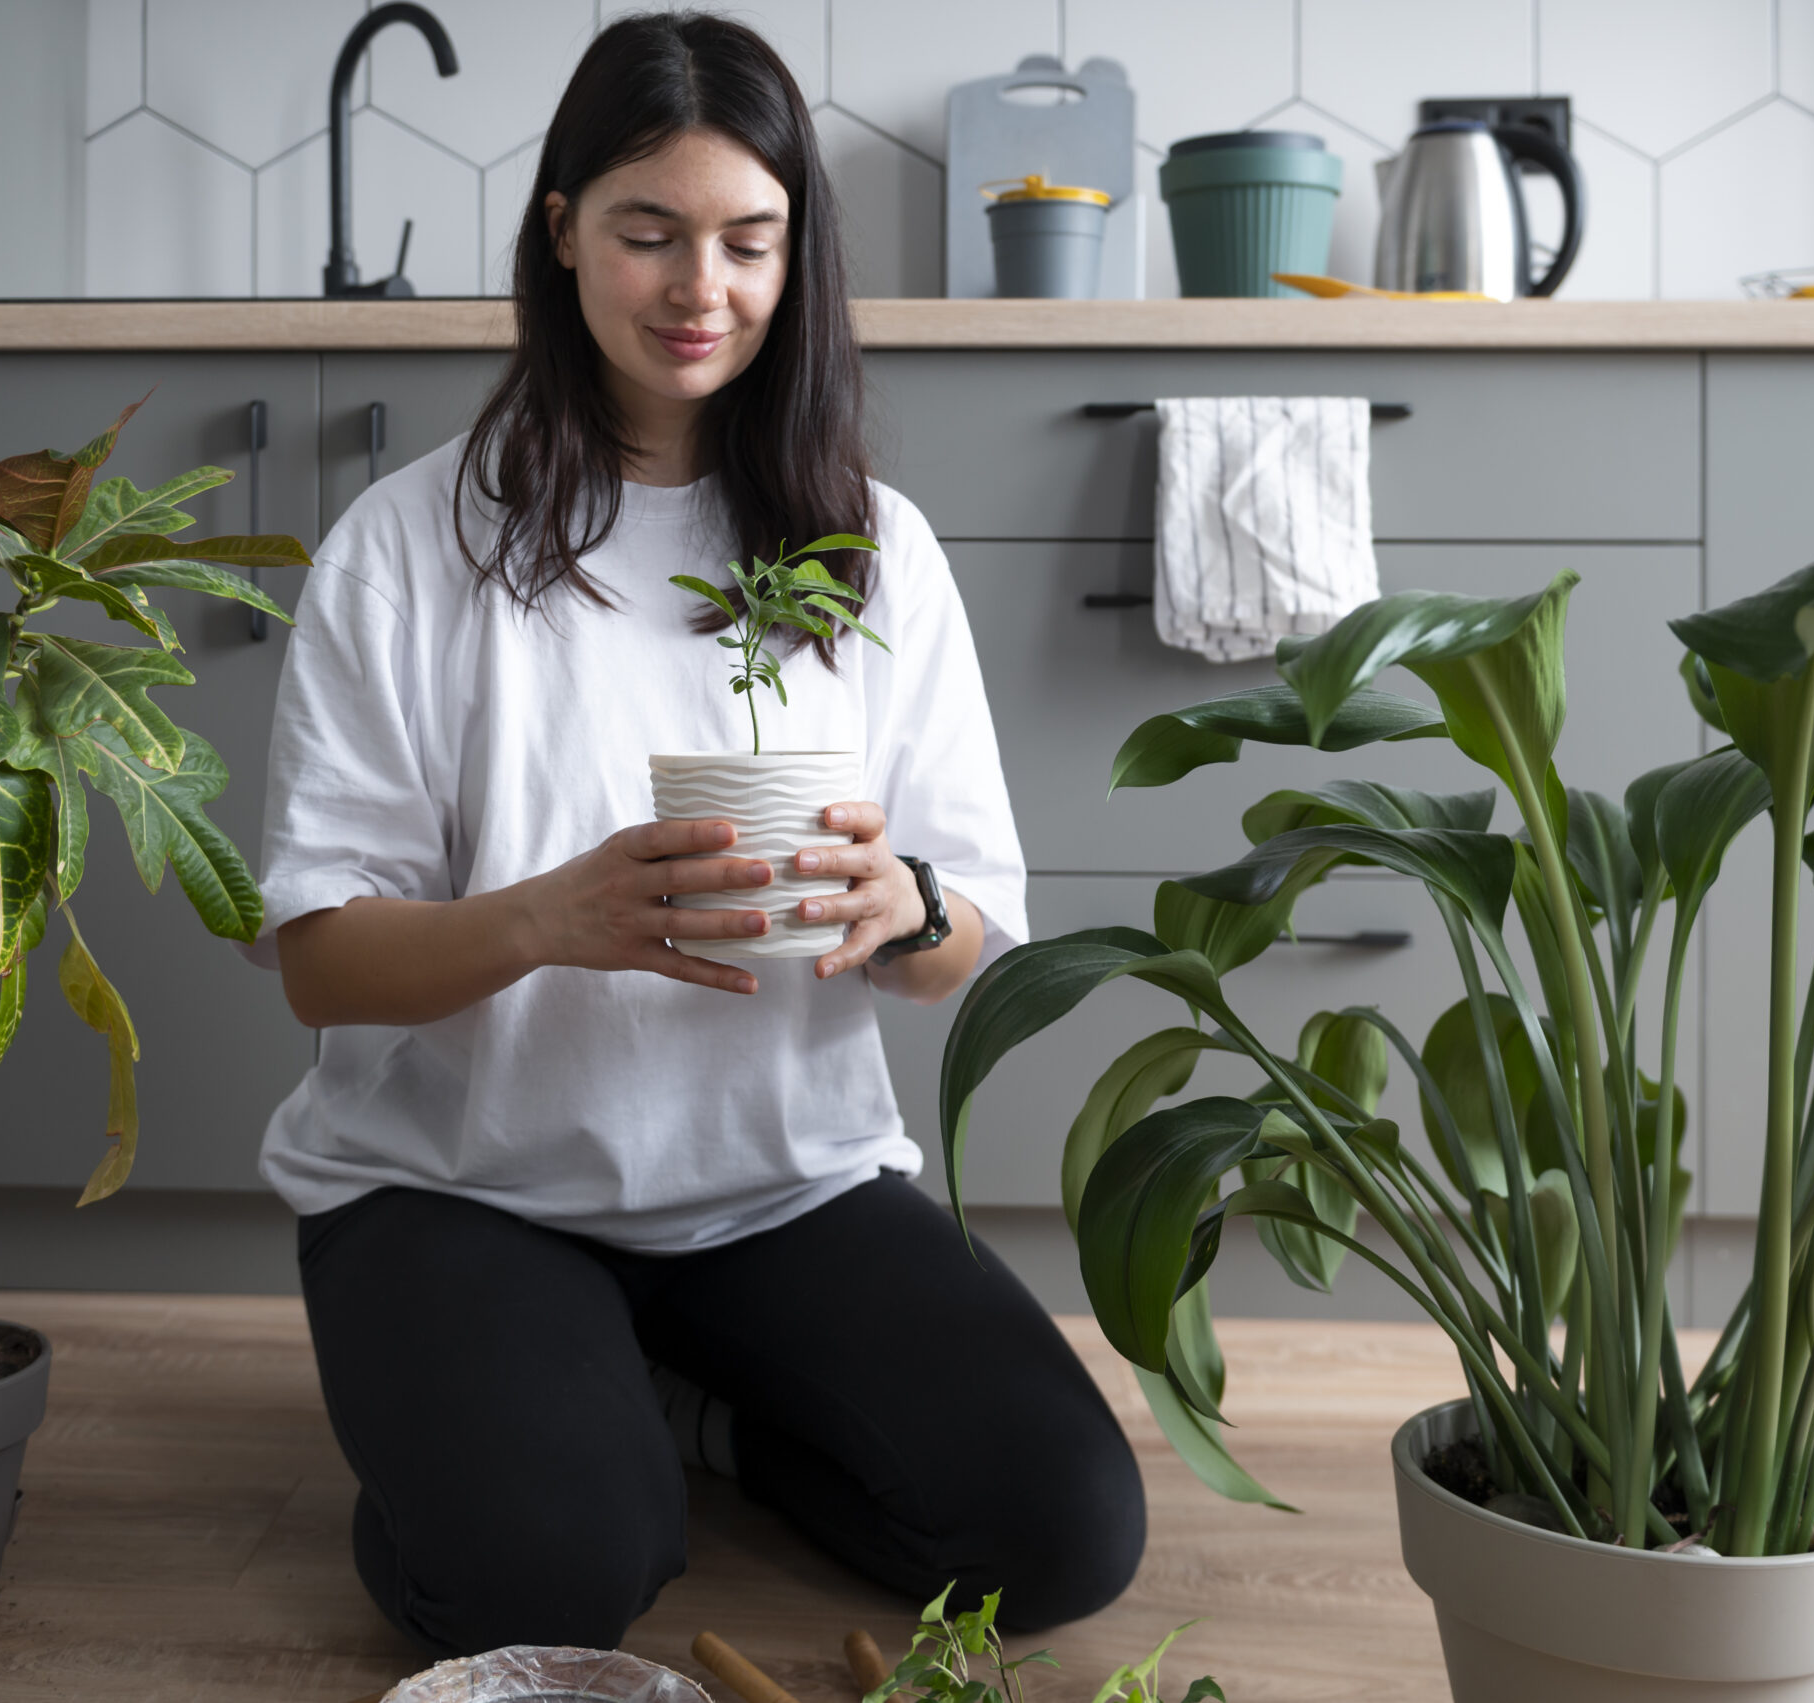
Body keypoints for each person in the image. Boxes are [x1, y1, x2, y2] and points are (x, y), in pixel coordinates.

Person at [250, 10, 1145, 1660]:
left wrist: (903, 902)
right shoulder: (408, 543)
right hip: (460, 1188)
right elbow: (317, 962)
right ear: (561, 232)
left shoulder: (872, 547)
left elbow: (971, 948)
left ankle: (686, 1410)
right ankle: (504, 1433)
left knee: (1065, 1528)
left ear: (796, 250)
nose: (700, 289)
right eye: (648, 233)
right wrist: (550, 919)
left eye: (748, 241)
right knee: (554, 1579)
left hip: (775, 1185)